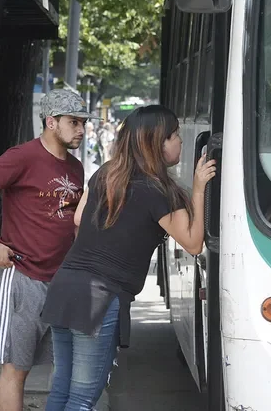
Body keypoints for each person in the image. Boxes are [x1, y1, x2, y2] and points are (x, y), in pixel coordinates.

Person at [40, 106, 217, 410]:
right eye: (175, 135)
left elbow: (79, 218)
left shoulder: (106, 173)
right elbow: (192, 242)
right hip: (99, 298)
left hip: (65, 286)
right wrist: (200, 189)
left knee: (61, 391)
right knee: (82, 398)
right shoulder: (159, 191)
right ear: (157, 142)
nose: (181, 141)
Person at [0, 88, 92, 411]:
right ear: (51, 122)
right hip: (21, 276)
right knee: (15, 369)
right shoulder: (23, 156)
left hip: (60, 281)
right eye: (74, 122)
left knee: (62, 366)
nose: (81, 129)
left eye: (83, 122)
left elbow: (74, 222)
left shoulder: (76, 169)